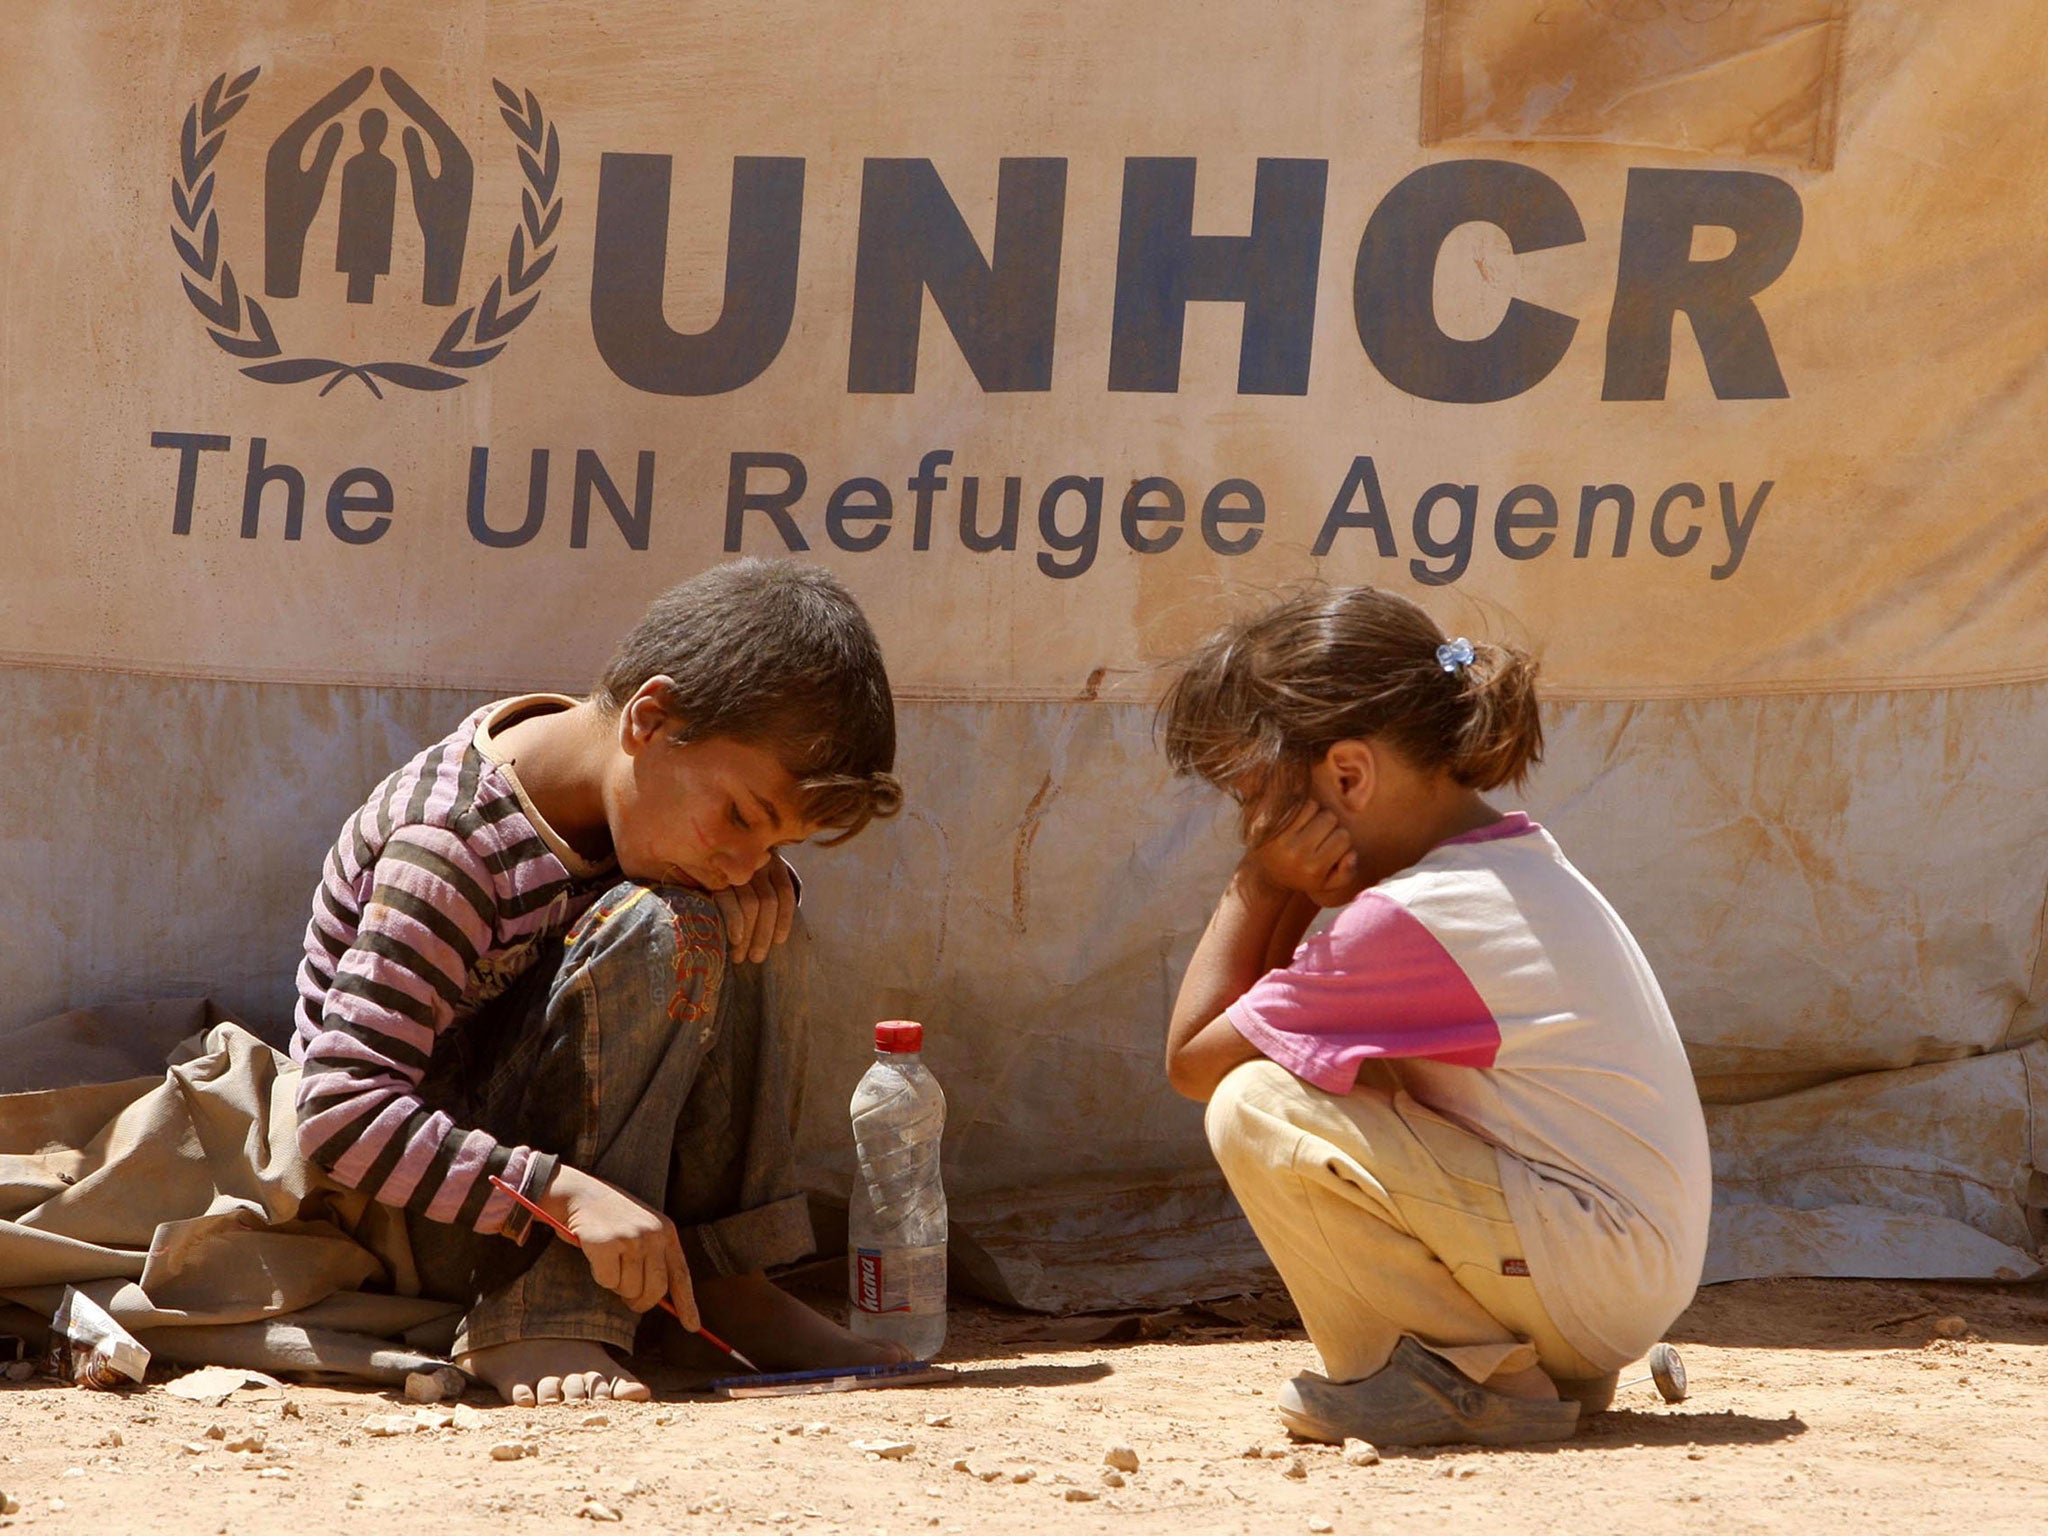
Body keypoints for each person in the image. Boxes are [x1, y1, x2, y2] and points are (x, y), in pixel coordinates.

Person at [290, 559, 906, 1406]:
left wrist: (761, 877)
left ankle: (727, 1282)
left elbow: (718, 883)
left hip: (574, 1197)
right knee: (667, 926)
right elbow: (337, 1116)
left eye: (774, 840)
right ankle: (539, 1315)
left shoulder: (636, 791)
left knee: (752, 918)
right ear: (650, 719)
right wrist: (558, 1195)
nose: (742, 859)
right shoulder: (454, 843)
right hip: (419, 1217)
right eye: (739, 818)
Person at [1157, 587, 1710, 1447]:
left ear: (1346, 775)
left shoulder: (1413, 919)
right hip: (1605, 1278)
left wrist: (1262, 880)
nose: (1252, 824)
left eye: (1252, 797)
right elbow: (1278, 1020)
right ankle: (1516, 1363)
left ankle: (1460, 1382)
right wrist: (1299, 884)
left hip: (1587, 1273)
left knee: (1254, 1104)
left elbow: (1197, 1061)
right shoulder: (1502, 867)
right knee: (1314, 1075)